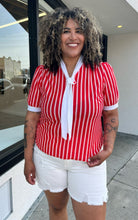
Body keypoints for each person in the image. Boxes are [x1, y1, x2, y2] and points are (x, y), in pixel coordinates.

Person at [24, 7, 119, 220]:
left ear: (88, 35)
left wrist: (109, 147)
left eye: (79, 30)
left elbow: (111, 115)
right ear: (55, 37)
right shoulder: (42, 74)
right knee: (57, 210)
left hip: (89, 160)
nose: (73, 37)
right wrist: (28, 158)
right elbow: (32, 118)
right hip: (48, 158)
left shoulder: (103, 72)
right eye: (65, 31)